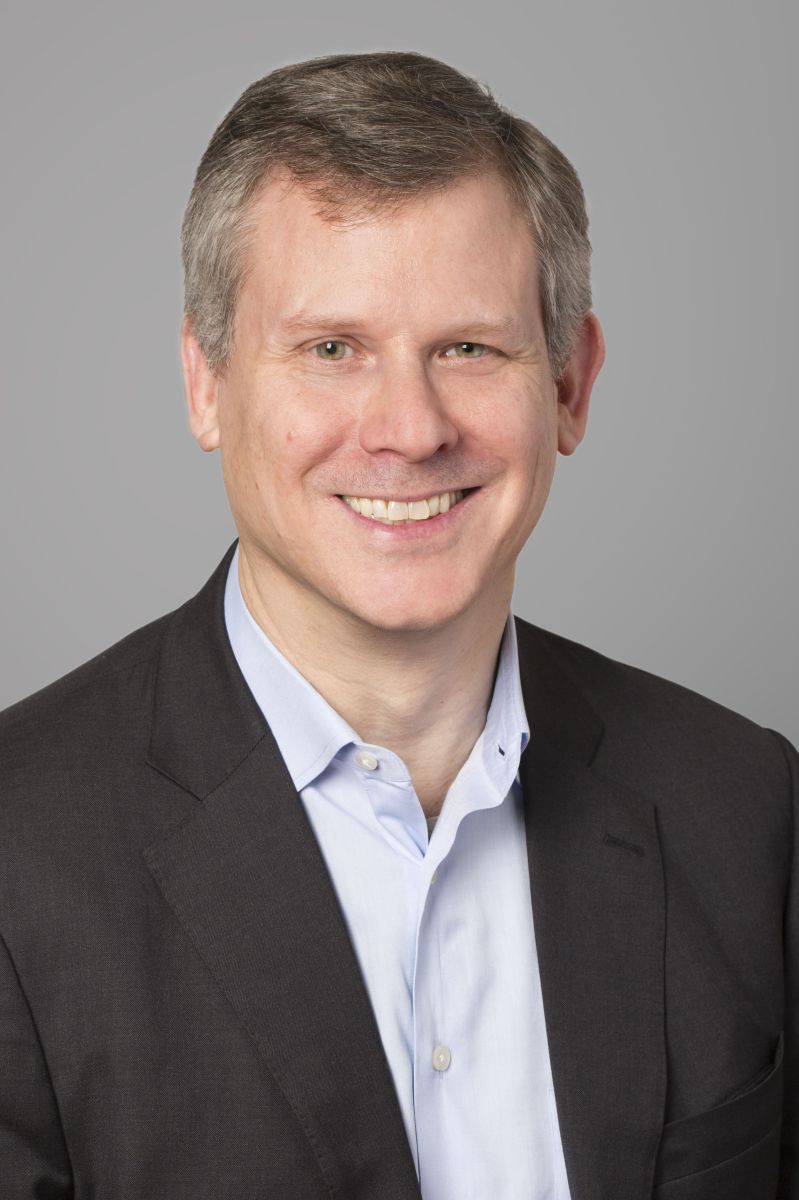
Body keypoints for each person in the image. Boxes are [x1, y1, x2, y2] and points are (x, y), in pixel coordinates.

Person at [0, 49, 795, 1200]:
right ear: (206, 384)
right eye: (332, 349)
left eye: (468, 347)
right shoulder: (19, 853)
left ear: (569, 386)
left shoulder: (746, 807)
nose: (410, 430)